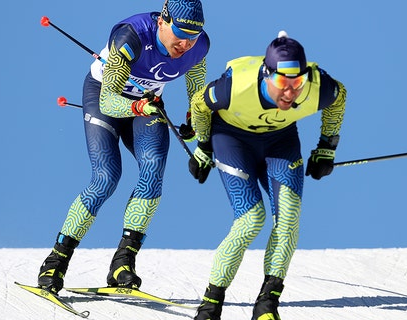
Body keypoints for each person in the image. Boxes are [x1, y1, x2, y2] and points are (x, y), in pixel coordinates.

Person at [37, 0, 209, 295]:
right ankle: (56, 261)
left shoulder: (199, 46)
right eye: (179, 33)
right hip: (105, 98)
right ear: (162, 22)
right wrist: (140, 106)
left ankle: (123, 263)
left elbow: (197, 91)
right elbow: (108, 101)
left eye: (191, 37)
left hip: (147, 105)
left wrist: (194, 122)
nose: (184, 44)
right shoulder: (131, 36)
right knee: (106, 176)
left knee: (153, 167)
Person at [187, 31, 347, 320]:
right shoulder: (235, 87)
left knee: (288, 219)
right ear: (266, 74)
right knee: (251, 220)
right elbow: (200, 104)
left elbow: (339, 97)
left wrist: (327, 147)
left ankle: (267, 305)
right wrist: (203, 145)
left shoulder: (317, 86)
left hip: (280, 143)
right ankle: (210, 305)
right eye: (283, 83)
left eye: (297, 83)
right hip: (232, 140)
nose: (291, 92)